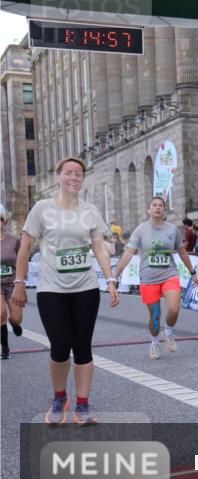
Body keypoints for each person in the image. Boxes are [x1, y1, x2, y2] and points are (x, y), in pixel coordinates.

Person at [11, 157, 120, 426]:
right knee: (60, 346)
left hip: (85, 288)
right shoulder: (42, 209)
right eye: (68, 173)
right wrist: (19, 283)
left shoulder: (90, 210)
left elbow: (98, 247)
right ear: (58, 175)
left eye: (78, 174)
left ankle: (83, 406)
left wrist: (110, 279)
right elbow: (24, 248)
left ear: (83, 179)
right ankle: (60, 397)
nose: (73, 177)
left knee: (83, 347)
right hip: (51, 289)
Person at [115, 196, 198, 360]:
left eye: (160, 205)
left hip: (169, 274)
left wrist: (193, 273)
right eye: (154, 205)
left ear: (164, 210)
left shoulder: (172, 229)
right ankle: (154, 343)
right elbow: (128, 253)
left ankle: (168, 332)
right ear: (149, 210)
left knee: (174, 309)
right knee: (155, 318)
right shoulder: (140, 230)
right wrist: (115, 276)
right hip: (148, 278)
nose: (157, 207)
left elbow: (182, 252)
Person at [1, 211, 24, 359]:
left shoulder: (13, 240)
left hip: (12, 283)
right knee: (0, 314)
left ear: (4, 223)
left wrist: (21, 282)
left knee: (16, 318)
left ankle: (14, 324)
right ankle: (5, 349)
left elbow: (21, 259)